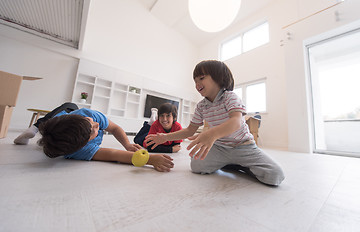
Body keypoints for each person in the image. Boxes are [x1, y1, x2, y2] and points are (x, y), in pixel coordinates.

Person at [145, 60, 285, 185]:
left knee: (275, 176)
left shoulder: (230, 97)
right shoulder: (201, 106)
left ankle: (241, 165)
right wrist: (164, 137)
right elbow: (189, 130)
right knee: (197, 166)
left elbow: (236, 121)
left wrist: (211, 133)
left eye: (201, 78)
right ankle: (229, 163)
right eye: (195, 81)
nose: (197, 84)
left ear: (219, 78)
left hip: (244, 146)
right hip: (220, 148)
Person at [14, 102, 174, 172]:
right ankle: (38, 128)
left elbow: (115, 128)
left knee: (69, 106)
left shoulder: (89, 115)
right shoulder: (79, 151)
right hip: (60, 127)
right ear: (85, 143)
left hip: (66, 114)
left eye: (90, 123)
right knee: (49, 128)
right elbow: (113, 155)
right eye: (93, 131)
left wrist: (126, 144)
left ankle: (35, 127)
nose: (97, 125)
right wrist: (150, 160)